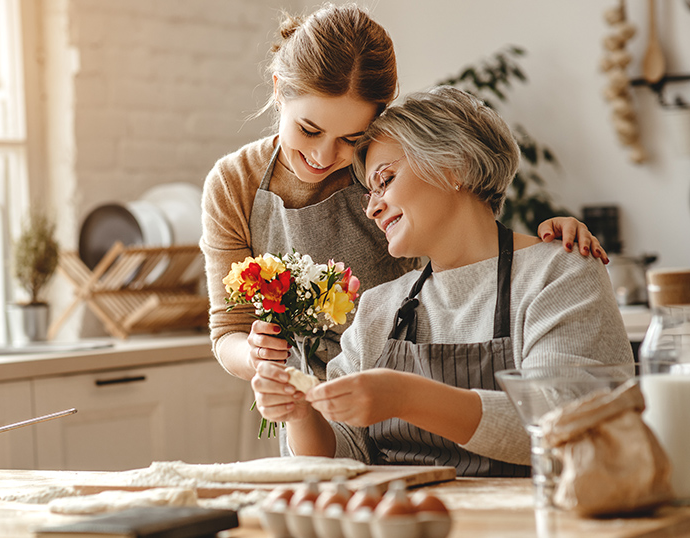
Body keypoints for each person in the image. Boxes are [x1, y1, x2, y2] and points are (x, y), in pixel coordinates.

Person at [201, 3, 606, 389]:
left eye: (351, 138)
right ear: (278, 91)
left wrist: (542, 249)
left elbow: (465, 250)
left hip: (401, 393)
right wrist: (258, 356)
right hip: (302, 405)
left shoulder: (382, 167)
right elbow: (228, 330)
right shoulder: (234, 184)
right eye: (309, 130)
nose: (323, 156)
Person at [250, 86, 633, 475]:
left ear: (454, 166)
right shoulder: (379, 308)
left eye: (386, 179)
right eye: (369, 193)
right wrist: (301, 415)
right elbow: (343, 454)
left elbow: (565, 422)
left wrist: (407, 397)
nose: (371, 208)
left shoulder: (559, 273)